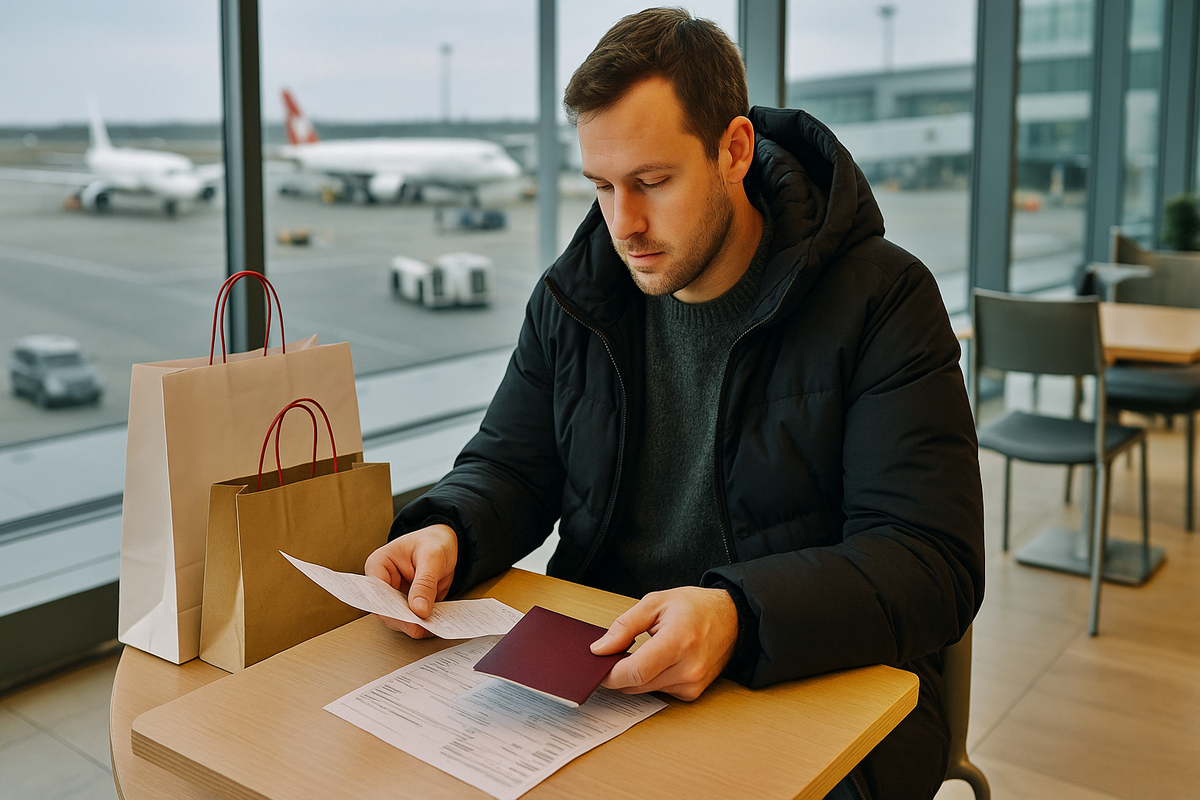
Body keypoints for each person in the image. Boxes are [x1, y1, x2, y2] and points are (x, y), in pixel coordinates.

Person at [366, 8, 985, 800]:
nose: (623, 224)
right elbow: (513, 466)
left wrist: (738, 614)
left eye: (652, 183)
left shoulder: (884, 299)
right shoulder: (575, 295)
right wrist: (450, 526)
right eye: (601, 187)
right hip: (606, 675)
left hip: (814, 683)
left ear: (734, 150)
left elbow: (932, 561)